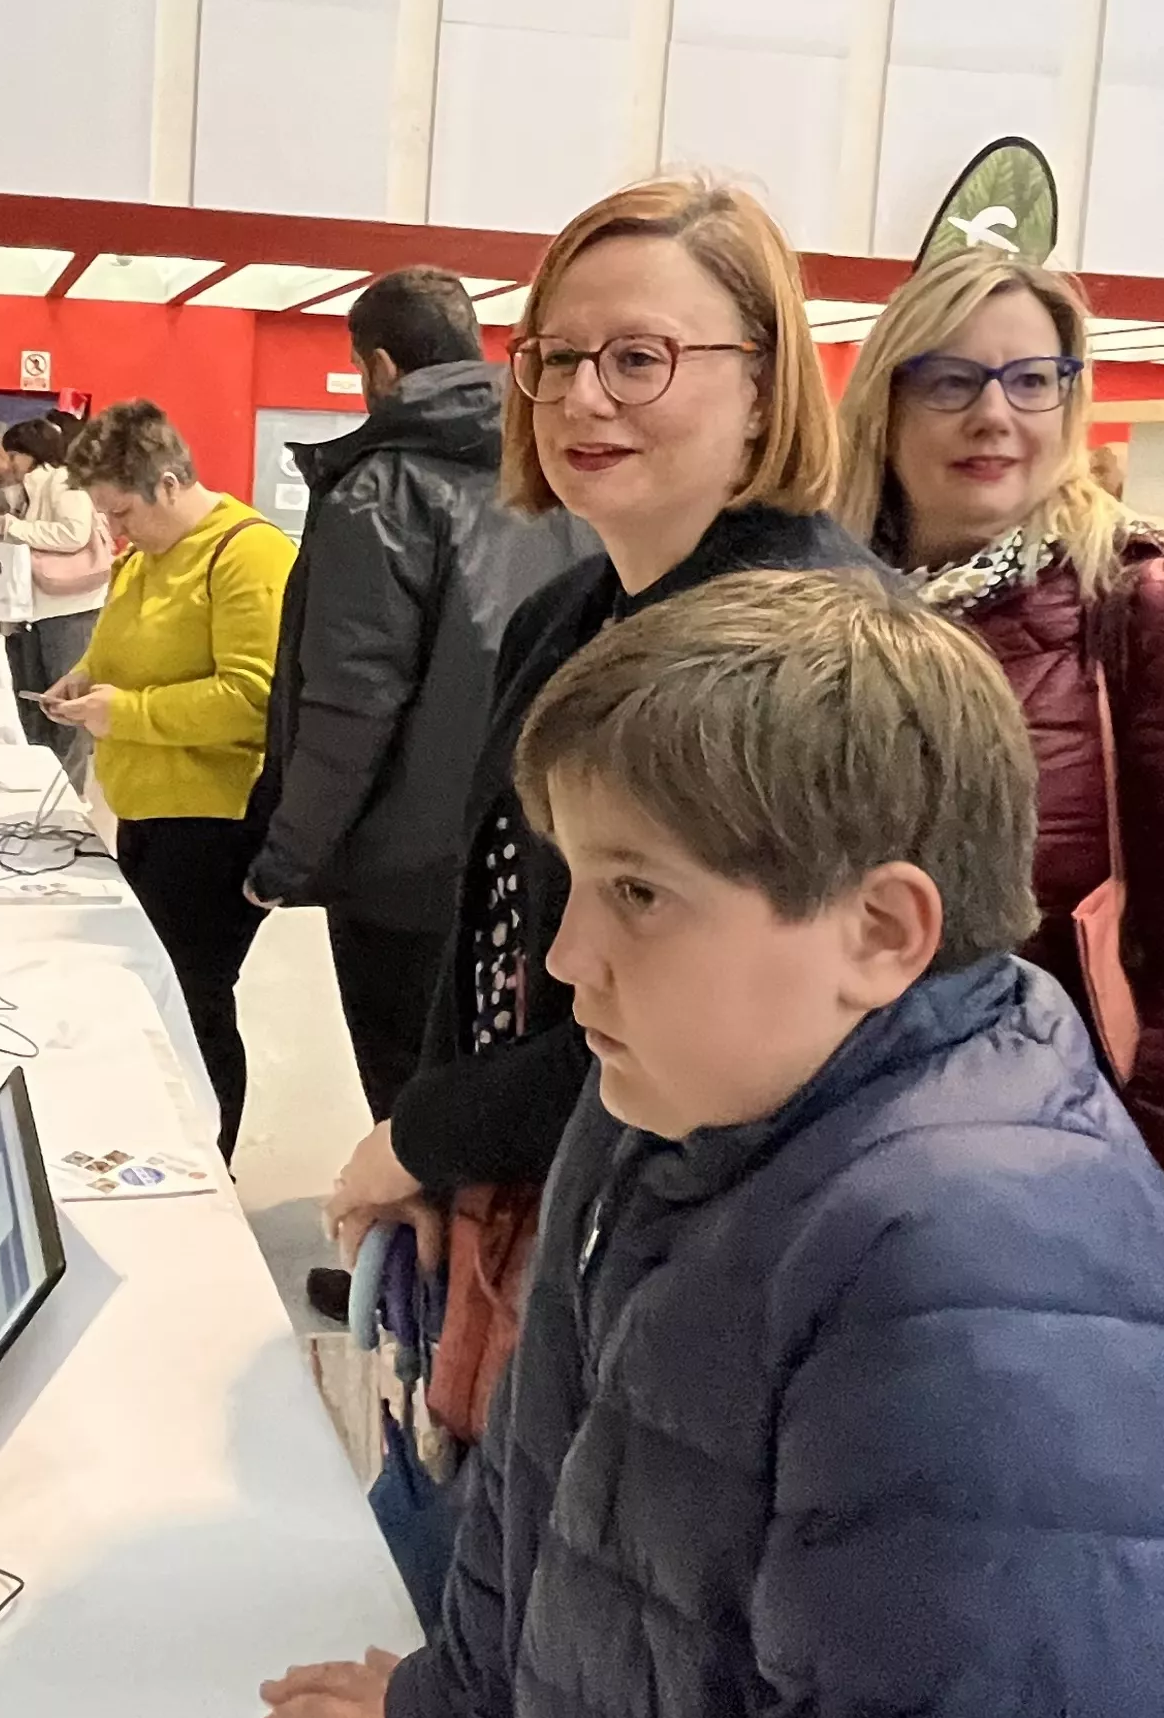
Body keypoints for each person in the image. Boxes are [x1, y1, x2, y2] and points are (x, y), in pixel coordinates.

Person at [259, 573, 1164, 1718]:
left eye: (638, 893)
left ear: (881, 931)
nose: (568, 959)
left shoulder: (975, 1298)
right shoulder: (679, 1097)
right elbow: (545, 1494)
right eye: (575, 883)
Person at [321, 178, 879, 1301]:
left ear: (763, 388)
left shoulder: (799, 654)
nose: (582, 398)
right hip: (546, 1188)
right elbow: (489, 920)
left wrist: (425, 1135)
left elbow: (693, 1018)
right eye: (557, 357)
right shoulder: (566, 618)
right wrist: (439, 1140)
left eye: (638, 358)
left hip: (707, 1232)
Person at [830, 247, 1164, 1309]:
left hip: (1061, 1188)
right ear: (887, 401)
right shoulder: (821, 610)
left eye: (1031, 380)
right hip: (837, 1165)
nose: (994, 416)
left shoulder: (1151, 609)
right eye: (952, 380)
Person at [249, 267, 593, 1120]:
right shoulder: (556, 473)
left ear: (379, 367)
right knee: (497, 1084)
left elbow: (350, 705)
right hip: (540, 847)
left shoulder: (380, 492)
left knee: (406, 1091)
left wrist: (286, 855)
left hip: (400, 872)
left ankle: (409, 1213)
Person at [41, 403, 299, 1152]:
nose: (115, 531)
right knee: (154, 993)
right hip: (147, 809)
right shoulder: (145, 556)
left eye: (122, 512)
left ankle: (209, 1162)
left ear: (169, 482)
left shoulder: (247, 554)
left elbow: (252, 698)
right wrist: (84, 675)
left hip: (215, 821)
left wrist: (126, 712)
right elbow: (123, 648)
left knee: (193, 1002)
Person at [0, 412, 112, 763]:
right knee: (35, 699)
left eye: (13, 454)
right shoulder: (30, 489)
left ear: (31, 453)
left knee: (67, 706)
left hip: (71, 608)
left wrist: (16, 527)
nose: (9, 463)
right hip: (39, 608)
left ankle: (67, 785)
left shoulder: (63, 482)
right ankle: (39, 770)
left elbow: (74, 534)